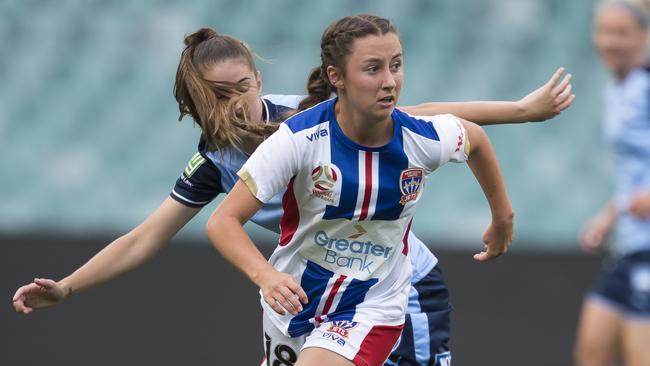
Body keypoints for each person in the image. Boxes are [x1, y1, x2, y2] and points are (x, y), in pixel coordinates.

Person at [12, 26, 573, 365]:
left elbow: (419, 120)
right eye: (219, 95)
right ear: (194, 102)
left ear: (259, 80)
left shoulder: (301, 120)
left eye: (244, 87)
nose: (236, 102)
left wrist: (521, 112)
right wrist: (67, 287)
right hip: (307, 299)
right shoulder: (214, 162)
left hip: (395, 288)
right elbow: (143, 239)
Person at [205, 14, 515, 366]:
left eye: (396, 66)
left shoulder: (421, 139)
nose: (390, 82)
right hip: (294, 302)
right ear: (336, 76)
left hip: (371, 305)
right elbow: (222, 221)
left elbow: (474, 138)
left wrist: (502, 216)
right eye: (373, 69)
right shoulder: (297, 139)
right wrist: (267, 277)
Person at [576, 1, 650, 365]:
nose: (611, 41)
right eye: (604, 32)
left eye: (621, 32)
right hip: (631, 240)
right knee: (592, 348)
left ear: (644, 36)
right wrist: (610, 215)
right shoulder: (616, 90)